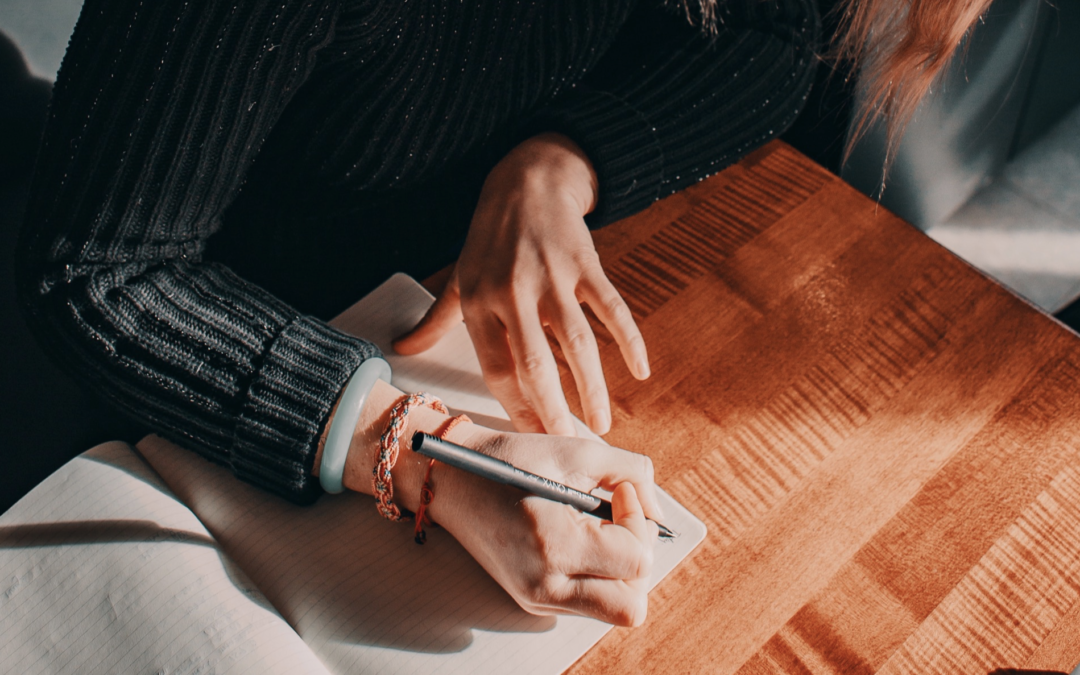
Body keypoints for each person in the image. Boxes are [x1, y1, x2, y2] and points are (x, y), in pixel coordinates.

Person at [15, 0, 821, 626]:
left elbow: (776, 32)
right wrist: (426, 453)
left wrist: (559, 164)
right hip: (200, 346)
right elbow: (97, 271)